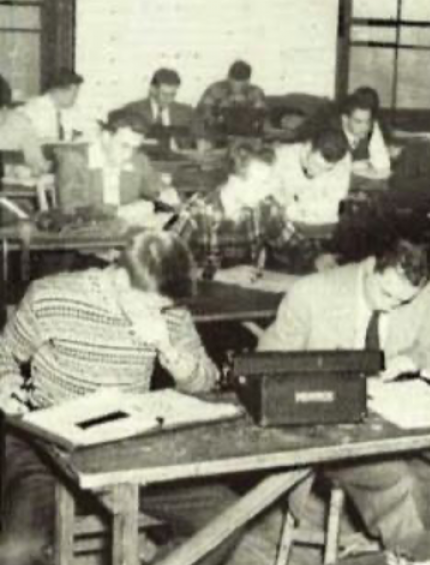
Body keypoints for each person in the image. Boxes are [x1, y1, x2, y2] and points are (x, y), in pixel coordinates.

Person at [0, 231, 266, 565]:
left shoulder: (167, 308)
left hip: (126, 446)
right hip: (46, 446)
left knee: (225, 519)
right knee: (16, 550)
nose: (158, 312)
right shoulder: (51, 296)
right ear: (121, 278)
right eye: (150, 305)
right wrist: (7, 387)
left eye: (164, 307)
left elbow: (206, 382)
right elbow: (4, 355)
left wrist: (168, 349)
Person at [258, 238, 430, 548]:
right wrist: (334, 382)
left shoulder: (426, 294)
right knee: (395, 483)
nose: (392, 305)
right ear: (369, 268)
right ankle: (415, 557)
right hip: (329, 427)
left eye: (403, 301)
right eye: (386, 293)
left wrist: (409, 360)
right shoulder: (311, 293)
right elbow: (266, 365)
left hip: (394, 422)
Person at [167, 142, 315, 275]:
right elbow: (163, 267)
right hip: (205, 293)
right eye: (261, 184)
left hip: (250, 292)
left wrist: (317, 258)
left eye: (268, 183)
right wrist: (224, 276)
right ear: (234, 180)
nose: (267, 190)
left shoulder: (265, 207)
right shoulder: (196, 212)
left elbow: (298, 245)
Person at [55, 110, 178, 214]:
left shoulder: (139, 160)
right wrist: (120, 212)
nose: (129, 154)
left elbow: (155, 186)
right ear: (106, 137)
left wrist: (166, 193)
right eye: (124, 146)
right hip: (90, 232)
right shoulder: (74, 160)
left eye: (135, 147)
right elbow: (73, 209)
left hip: (128, 229)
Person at [0, 69, 87, 177]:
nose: (75, 99)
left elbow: (36, 160)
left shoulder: (19, 120)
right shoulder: (26, 114)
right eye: (74, 94)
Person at [271, 127, 351, 226]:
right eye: (315, 164)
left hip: (317, 227)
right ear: (307, 147)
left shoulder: (342, 162)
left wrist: (298, 208)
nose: (317, 172)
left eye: (327, 169)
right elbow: (276, 198)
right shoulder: (283, 157)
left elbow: (335, 210)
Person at [116, 67, 197, 149]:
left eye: (173, 95)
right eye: (164, 94)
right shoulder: (133, 110)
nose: (169, 99)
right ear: (152, 89)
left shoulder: (187, 113)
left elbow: (196, 145)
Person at [195, 60, 267, 138]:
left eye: (242, 83)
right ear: (228, 77)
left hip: (248, 135)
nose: (238, 86)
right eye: (234, 81)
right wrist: (217, 119)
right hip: (218, 133)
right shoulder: (215, 89)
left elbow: (263, 117)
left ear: (248, 81)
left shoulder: (256, 92)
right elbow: (204, 113)